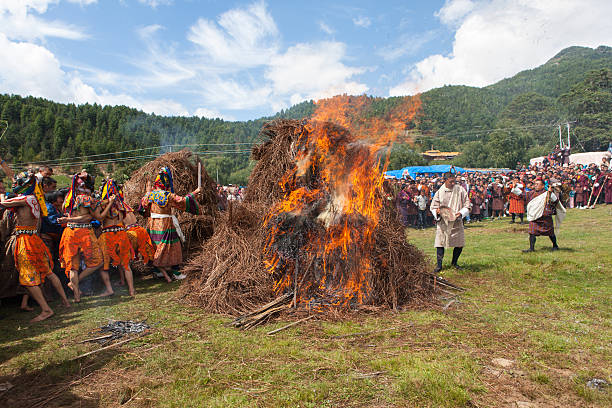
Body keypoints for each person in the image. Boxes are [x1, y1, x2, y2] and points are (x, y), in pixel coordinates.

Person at [1, 171, 70, 322]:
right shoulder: (36, 200)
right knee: (49, 272)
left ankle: (46, 310)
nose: (16, 186)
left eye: (19, 183)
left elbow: (4, 203)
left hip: (26, 241)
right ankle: (65, 301)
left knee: (27, 277)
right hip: (35, 240)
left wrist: (2, 194)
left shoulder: (25, 199)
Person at [141, 167, 201, 282]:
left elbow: (143, 206)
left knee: (155, 245)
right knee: (174, 247)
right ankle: (176, 272)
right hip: (165, 225)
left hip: (153, 225)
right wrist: (195, 193)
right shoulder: (168, 196)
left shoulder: (150, 195)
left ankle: (158, 271)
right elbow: (182, 201)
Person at [58, 171, 106, 302]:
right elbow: (99, 217)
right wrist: (109, 204)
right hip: (84, 233)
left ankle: (77, 297)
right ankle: (76, 282)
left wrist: (69, 220)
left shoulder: (68, 198)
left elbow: (66, 213)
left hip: (69, 232)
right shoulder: (87, 199)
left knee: (73, 266)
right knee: (97, 262)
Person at [98, 179, 135, 296]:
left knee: (103, 265)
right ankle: (131, 290)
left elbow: (99, 218)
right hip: (121, 233)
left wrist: (108, 203)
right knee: (126, 264)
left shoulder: (102, 204)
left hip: (107, 235)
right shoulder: (121, 203)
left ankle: (109, 289)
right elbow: (129, 219)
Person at [429, 172, 471, 273]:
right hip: (443, 222)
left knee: (459, 243)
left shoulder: (460, 190)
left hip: (457, 221)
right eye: (451, 182)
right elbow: (433, 207)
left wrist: (460, 213)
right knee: (440, 243)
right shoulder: (440, 192)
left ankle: (454, 263)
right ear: (445, 180)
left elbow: (467, 204)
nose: (453, 184)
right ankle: (439, 265)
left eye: (454, 181)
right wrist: (437, 211)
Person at [523, 178, 565, 252]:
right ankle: (531, 248)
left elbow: (556, 201)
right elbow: (522, 195)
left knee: (550, 232)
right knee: (532, 232)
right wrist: (514, 189)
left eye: (537, 184)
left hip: (545, 215)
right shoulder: (531, 193)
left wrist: (550, 195)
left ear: (542, 186)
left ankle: (555, 245)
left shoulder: (548, 193)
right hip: (535, 215)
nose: (535, 186)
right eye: (535, 184)